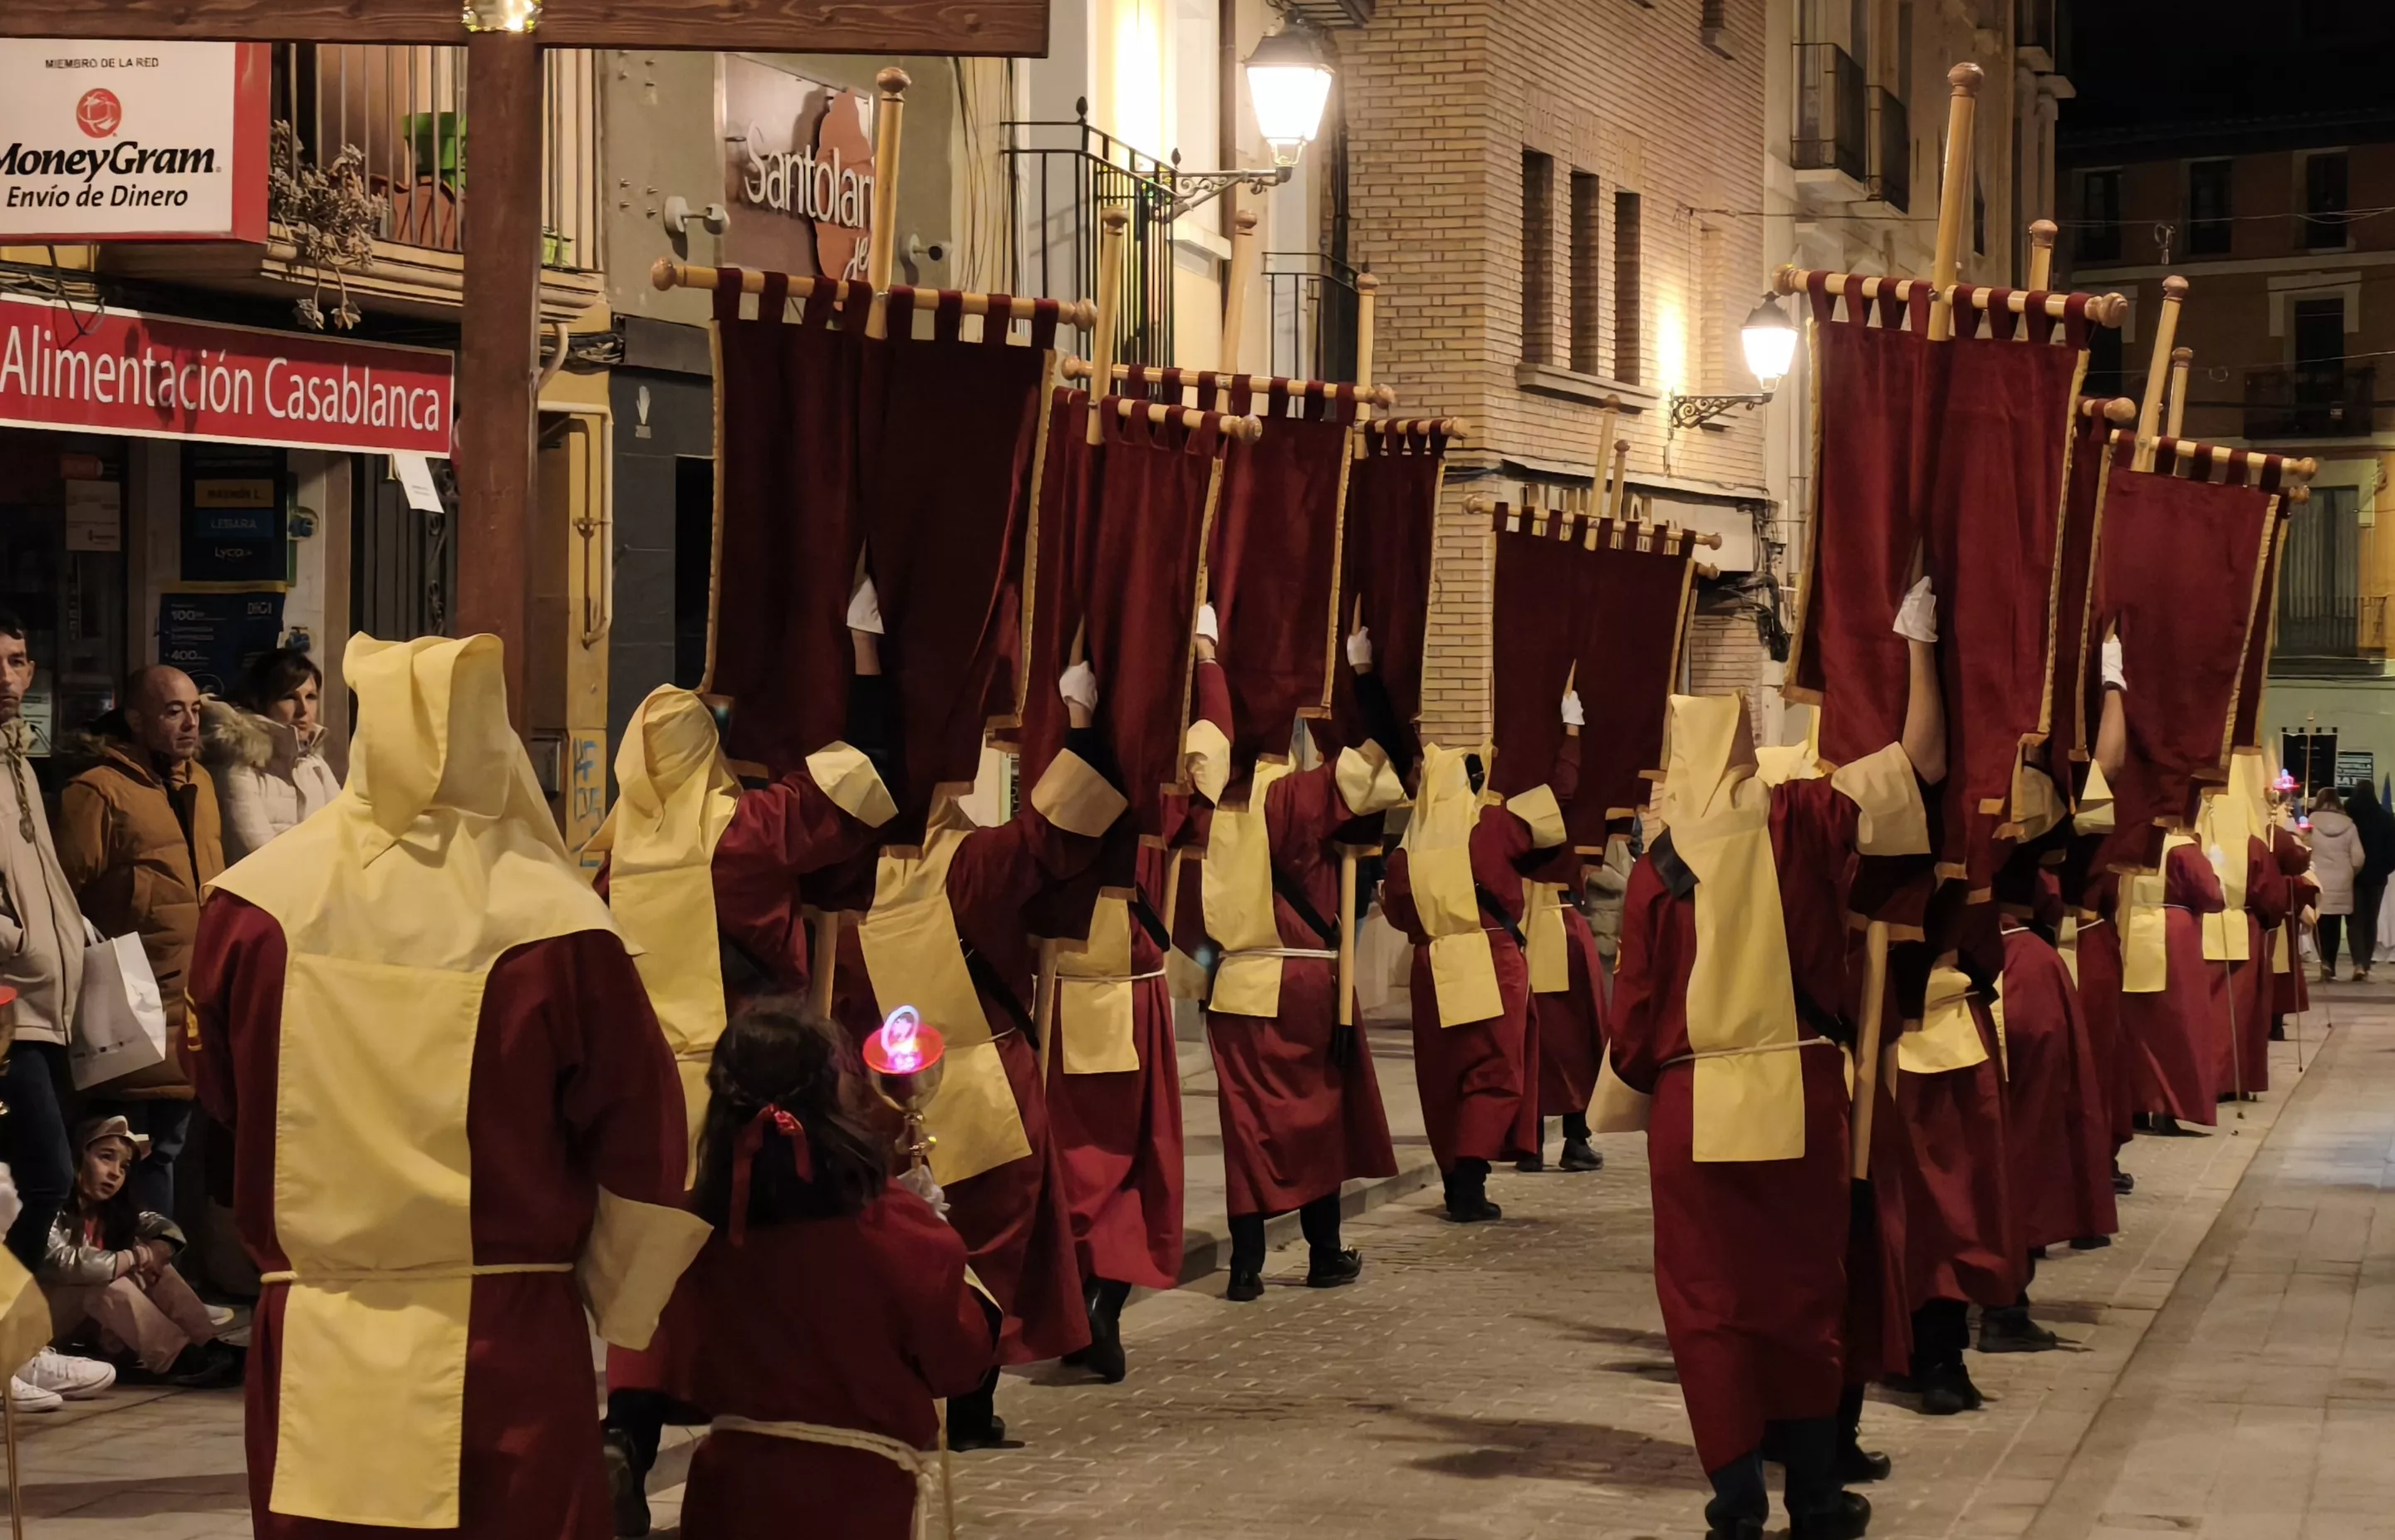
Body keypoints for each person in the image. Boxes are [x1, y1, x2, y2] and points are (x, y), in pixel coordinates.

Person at [187, 633, 707, 1539]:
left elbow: (225, 1095)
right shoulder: (557, 924)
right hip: (505, 1329)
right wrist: (615, 1297)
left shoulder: (250, 909)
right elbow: (644, 1135)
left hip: (317, 1327)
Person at [1607, 576, 1945, 1540]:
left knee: (1707, 1306)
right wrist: (1916, 640)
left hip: (1691, 1103)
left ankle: (1735, 1499)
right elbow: (1923, 763)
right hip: (1798, 1089)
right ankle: (1818, 1497)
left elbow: (1631, 1028)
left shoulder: (1651, 873)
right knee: (1804, 1295)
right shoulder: (1803, 821)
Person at [588, 660, 899, 1536]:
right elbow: (863, 784)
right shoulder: (746, 831)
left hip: (654, 1100)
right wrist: (857, 671)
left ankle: (626, 1438)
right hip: (758, 1089)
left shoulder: (613, 857)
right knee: (773, 1267)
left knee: (651, 1279)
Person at [827, 655, 1126, 1449]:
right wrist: (1086, 725)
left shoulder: (841, 879)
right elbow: (1065, 829)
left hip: (875, 1096)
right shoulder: (977, 862)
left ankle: (906, 1389)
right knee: (986, 1246)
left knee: (896, 1240)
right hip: (981, 1074)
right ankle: (967, 1401)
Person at [660, 996, 996, 1540]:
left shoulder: (692, 1229)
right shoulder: (891, 1228)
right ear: (828, 1096)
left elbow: (672, 1367)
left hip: (730, 1492)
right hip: (853, 1496)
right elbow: (956, 1359)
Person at [1179, 621, 1406, 1300]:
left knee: (1247, 1129)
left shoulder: (1205, 800)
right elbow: (1385, 762)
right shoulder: (1293, 794)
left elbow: (1210, 732)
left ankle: (1246, 1265)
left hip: (1236, 984)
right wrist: (1365, 678)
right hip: (1303, 977)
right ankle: (1323, 1252)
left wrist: (1205, 661)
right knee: (1319, 1123)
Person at [1382, 683, 1580, 1222]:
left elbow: (1400, 917)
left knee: (1443, 1074)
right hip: (1491, 962)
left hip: (1432, 966)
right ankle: (1469, 1180)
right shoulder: (1489, 828)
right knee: (1492, 1069)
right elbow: (1555, 802)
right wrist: (1569, 735)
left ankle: (1454, 1177)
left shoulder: (1404, 854)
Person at [0, 609, 116, 1412]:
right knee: (41, 1176)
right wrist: (23, 947)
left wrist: (74, 933)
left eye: (13, 660)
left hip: (46, 1002)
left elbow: (44, 873)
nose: (6, 678)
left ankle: (18, 1338)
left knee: (31, 1180)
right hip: (11, 1003)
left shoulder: (19, 761)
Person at [57, 664, 223, 1223]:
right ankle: (116, 1285)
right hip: (125, 1003)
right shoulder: (98, 791)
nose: (188, 722)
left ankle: (163, 1288)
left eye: (195, 709)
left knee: (169, 1150)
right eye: (173, 710)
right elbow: (64, 892)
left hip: (189, 1001)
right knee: (115, 1152)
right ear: (136, 719)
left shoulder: (198, 783)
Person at [40, 1116, 236, 1388]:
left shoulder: (108, 1208)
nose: (115, 1173)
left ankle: (208, 1345)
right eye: (105, 1157)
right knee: (102, 1286)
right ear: (76, 1156)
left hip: (84, 1323)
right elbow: (63, 1263)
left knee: (157, 1268)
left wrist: (159, 1248)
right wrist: (133, 1257)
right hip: (38, 1321)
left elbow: (158, 1224)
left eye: (124, 1166)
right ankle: (177, 1360)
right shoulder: (47, 1204)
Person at [203, 647, 344, 865]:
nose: (303, 710)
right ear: (260, 701)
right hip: (261, 894)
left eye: (311, 697)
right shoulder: (239, 763)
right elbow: (257, 853)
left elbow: (346, 831)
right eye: (289, 697)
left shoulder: (313, 762)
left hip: (318, 892)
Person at [2307, 787, 2365, 982]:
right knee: (2335, 923)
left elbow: (2303, 847)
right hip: (2342, 878)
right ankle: (2331, 962)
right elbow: (2358, 857)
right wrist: (2349, 872)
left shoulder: (2310, 822)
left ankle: (2325, 962)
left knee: (2320, 921)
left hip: (2318, 877)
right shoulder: (2349, 825)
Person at [2344, 782, 2395, 981]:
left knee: (2354, 920)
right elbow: (2393, 851)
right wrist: (2384, 870)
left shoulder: (2348, 816)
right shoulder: (2385, 818)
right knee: (2371, 919)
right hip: (2376, 878)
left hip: (2352, 876)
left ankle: (2358, 962)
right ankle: (2365, 961)